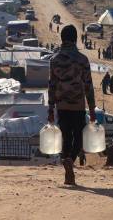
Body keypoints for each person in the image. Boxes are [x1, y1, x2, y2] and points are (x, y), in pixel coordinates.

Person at [48, 24, 96, 186]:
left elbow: (52, 86)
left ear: (62, 38)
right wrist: (92, 108)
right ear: (75, 39)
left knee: (66, 137)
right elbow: (89, 85)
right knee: (79, 138)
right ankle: (70, 160)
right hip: (78, 106)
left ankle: (67, 165)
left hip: (61, 106)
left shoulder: (54, 60)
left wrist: (50, 108)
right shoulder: (82, 60)